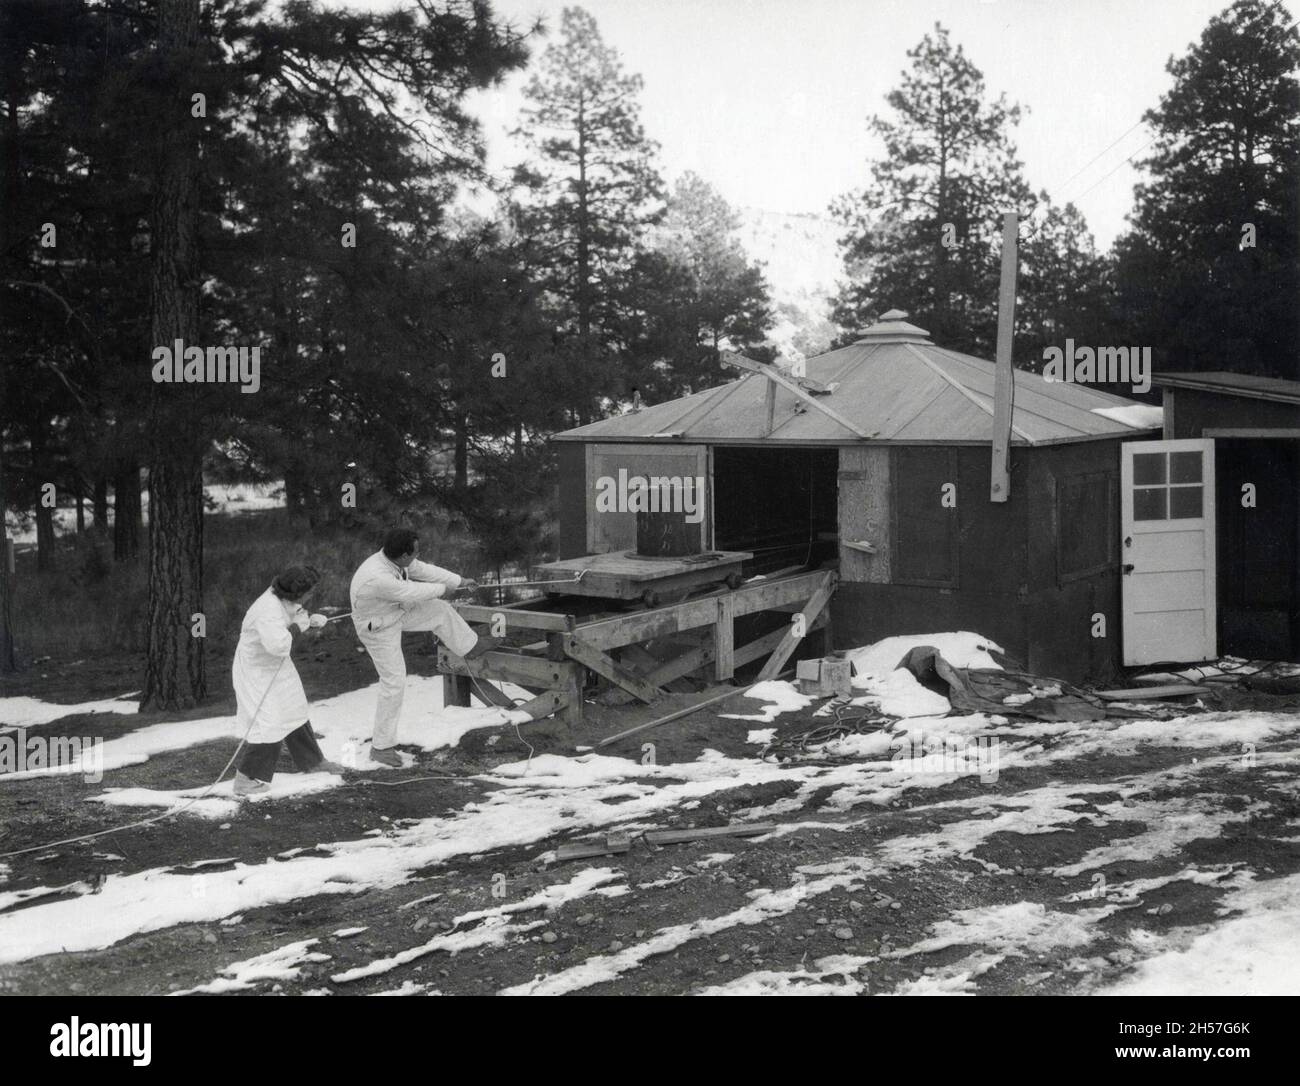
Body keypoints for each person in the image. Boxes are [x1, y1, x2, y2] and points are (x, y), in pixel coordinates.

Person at [350, 528, 500, 766]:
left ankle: (469, 646)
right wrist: (444, 589)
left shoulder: (396, 559)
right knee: (394, 682)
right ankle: (381, 747)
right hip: (377, 626)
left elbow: (424, 570)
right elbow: (412, 592)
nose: (418, 556)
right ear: (402, 556)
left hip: (395, 609)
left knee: (439, 610)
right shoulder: (376, 576)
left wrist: (459, 581)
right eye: (415, 552)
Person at [232, 565, 345, 797]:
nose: (312, 595)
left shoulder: (282, 596)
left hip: (276, 665)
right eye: (310, 591)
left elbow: (296, 612)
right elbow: (278, 645)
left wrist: (309, 620)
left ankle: (312, 762)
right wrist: (299, 628)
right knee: (271, 721)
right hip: (256, 669)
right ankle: (246, 778)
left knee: (293, 708)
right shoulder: (267, 610)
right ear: (294, 592)